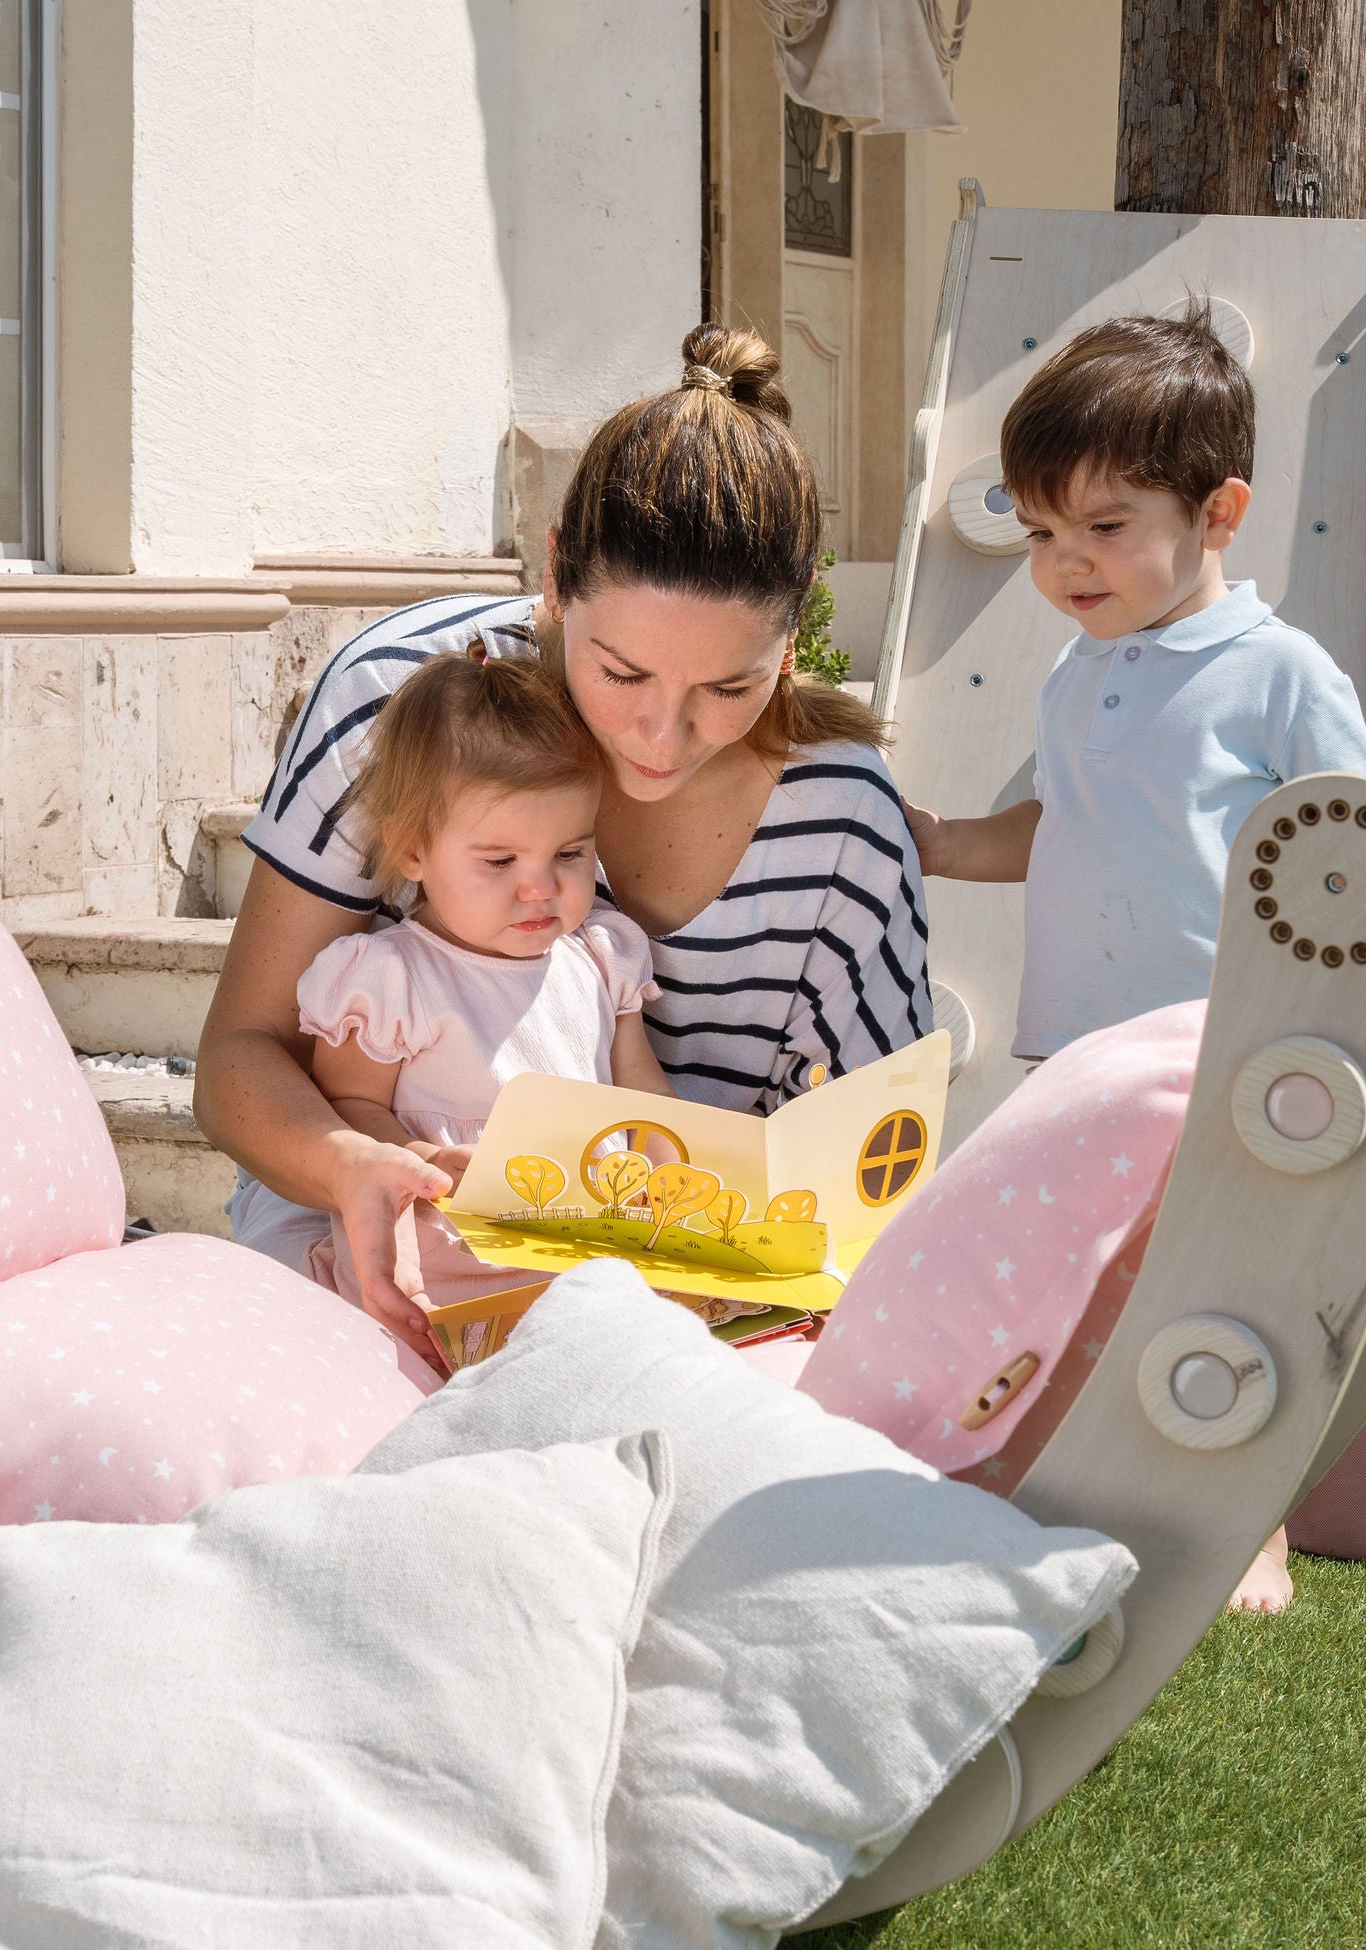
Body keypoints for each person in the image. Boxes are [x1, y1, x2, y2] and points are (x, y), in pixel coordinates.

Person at [198, 326, 932, 1352]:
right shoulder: (401, 699)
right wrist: (352, 1165)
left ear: (795, 631)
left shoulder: (842, 817)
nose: (661, 737)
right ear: (554, 576)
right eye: (621, 673)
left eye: (730, 688)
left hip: (676, 1297)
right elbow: (238, 1059)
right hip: (377, 1241)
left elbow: (873, 1173)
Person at [903, 305, 1366, 1613]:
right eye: (1041, 534)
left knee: (1223, 1291)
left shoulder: (1277, 675)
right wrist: (944, 843)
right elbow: (1063, 826)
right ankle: (1079, 1485)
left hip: (1222, 1056)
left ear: (1219, 513)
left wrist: (1358, 1018)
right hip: (1083, 1051)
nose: (1067, 562)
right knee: (1089, 1281)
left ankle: (1245, 1527)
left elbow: (1364, 852)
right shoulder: (1081, 673)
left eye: (1105, 528)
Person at [293, 647, 674, 1333]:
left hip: (585, 1257)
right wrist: (424, 1160)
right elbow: (348, 1106)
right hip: (448, 1270)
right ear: (413, 851)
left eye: (570, 853)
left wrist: (671, 1172)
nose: (541, 887)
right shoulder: (391, 979)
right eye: (500, 860)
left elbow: (642, 1096)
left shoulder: (599, 957)